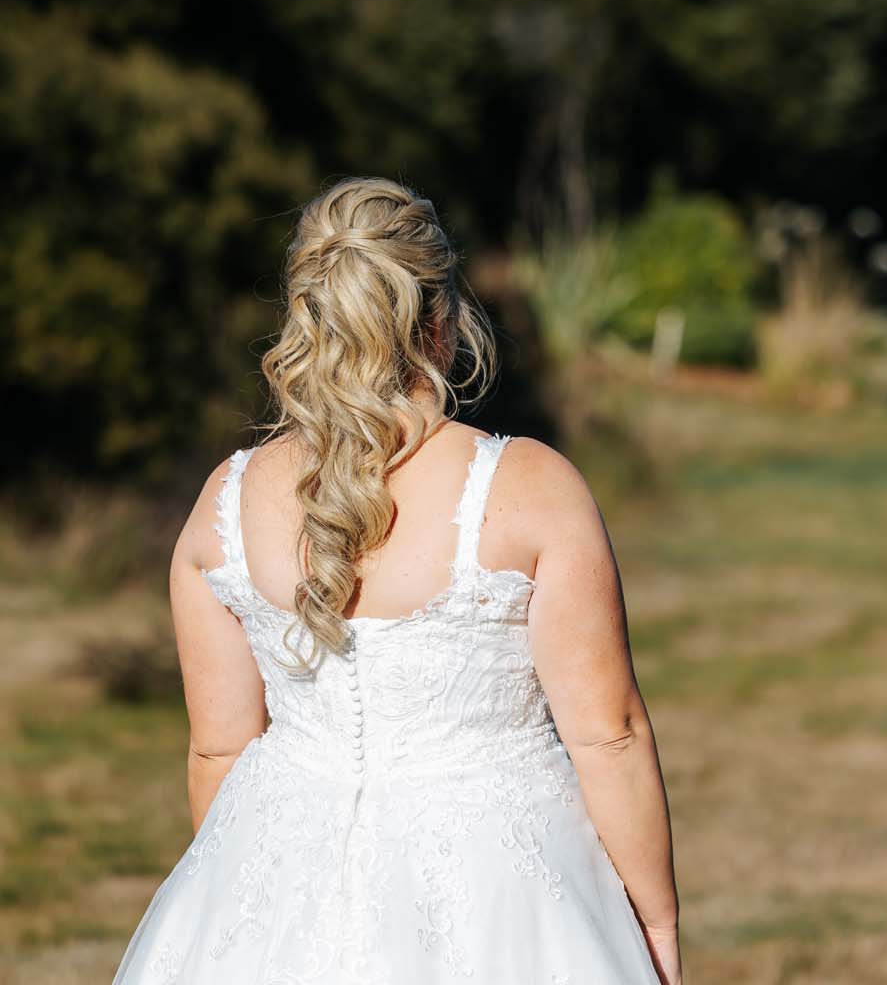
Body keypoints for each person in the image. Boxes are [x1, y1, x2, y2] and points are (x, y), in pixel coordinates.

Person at [112, 177, 682, 985]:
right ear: (443, 318)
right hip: (502, 889)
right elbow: (609, 734)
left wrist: (244, 895)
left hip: (273, 860)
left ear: (307, 313)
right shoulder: (529, 487)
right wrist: (654, 923)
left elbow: (218, 747)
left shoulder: (224, 502)